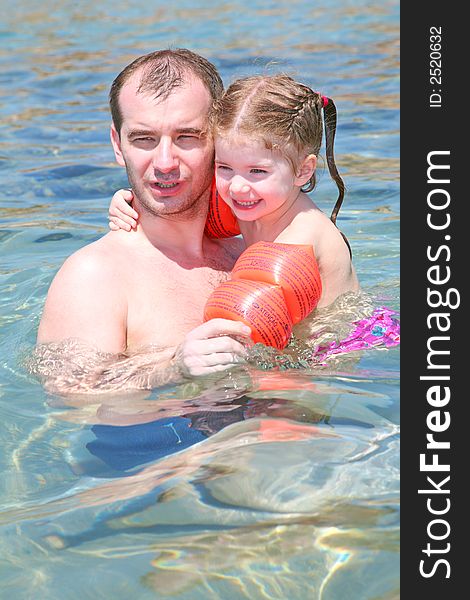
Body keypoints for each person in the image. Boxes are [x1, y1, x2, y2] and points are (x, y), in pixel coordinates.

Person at [36, 49, 254, 393]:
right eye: (144, 139)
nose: (165, 162)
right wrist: (172, 368)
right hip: (167, 445)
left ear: (219, 138)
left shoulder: (247, 252)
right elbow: (69, 396)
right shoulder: (94, 276)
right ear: (117, 144)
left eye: (186, 136)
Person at [109, 74, 359, 309]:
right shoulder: (257, 203)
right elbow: (180, 211)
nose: (237, 186)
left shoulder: (299, 237)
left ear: (304, 171)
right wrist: (131, 202)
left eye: (258, 171)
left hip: (342, 341)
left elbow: (257, 326)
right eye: (225, 167)